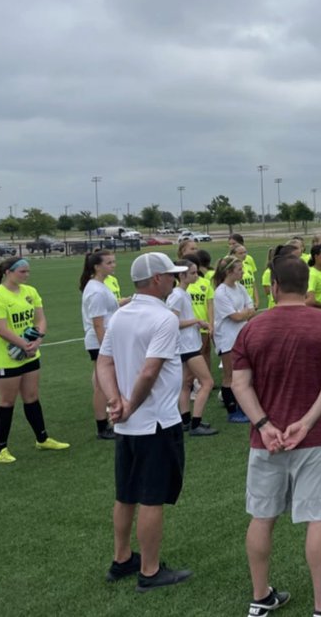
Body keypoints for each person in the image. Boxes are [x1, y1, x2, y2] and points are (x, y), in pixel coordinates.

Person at [229, 255, 321, 617]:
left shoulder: (252, 328)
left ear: (273, 286)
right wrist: (305, 422)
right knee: (318, 519)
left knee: (262, 517)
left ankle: (261, 597)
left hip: (267, 441)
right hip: (315, 438)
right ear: (307, 286)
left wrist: (263, 424)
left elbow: (239, 384)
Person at [97, 252, 193, 591]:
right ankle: (150, 571)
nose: (174, 280)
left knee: (125, 494)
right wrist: (129, 405)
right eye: (170, 275)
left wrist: (115, 403)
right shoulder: (164, 318)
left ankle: (122, 558)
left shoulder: (121, 315)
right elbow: (150, 370)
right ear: (156, 280)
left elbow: (104, 363)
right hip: (155, 422)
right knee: (152, 497)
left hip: (128, 425)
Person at [0, 256, 69, 463]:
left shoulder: (30, 292)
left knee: (32, 397)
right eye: (22, 271)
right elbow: (0, 328)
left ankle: (42, 439)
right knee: (7, 402)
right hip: (6, 357)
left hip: (30, 353)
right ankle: (1, 449)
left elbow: (40, 319)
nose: (26, 275)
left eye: (27, 271)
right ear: (8, 273)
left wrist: (37, 341)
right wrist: (23, 345)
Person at [168, 260, 217, 436]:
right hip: (187, 347)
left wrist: (197, 324)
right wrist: (196, 321)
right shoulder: (177, 295)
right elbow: (172, 322)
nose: (197, 276)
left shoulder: (183, 293)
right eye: (193, 273)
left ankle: (186, 420)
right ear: (181, 275)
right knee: (207, 382)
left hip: (188, 344)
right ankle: (196, 423)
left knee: (186, 383)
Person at [81, 249, 121, 440]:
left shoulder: (100, 285)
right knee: (101, 385)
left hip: (104, 340)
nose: (113, 265)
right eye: (109, 263)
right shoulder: (95, 290)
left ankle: (106, 422)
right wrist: (107, 349)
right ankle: (102, 426)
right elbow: (98, 323)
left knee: (101, 382)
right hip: (99, 342)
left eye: (113, 262)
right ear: (97, 266)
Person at [214, 255, 257, 421]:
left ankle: (243, 407)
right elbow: (236, 317)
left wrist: (244, 312)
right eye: (239, 270)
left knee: (244, 373)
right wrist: (244, 313)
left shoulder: (239, 287)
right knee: (229, 375)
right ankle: (232, 412)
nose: (243, 272)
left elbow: (251, 307)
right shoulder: (221, 292)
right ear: (229, 272)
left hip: (242, 335)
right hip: (227, 339)